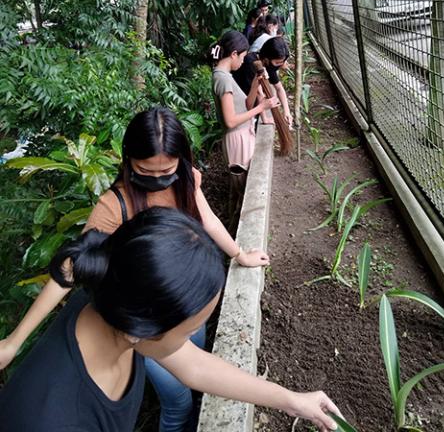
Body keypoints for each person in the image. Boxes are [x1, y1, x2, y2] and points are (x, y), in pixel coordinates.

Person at [0, 107, 269, 432]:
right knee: (177, 399)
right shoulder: (114, 207)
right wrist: (14, 341)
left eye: (166, 171)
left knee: (192, 367)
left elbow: (208, 219)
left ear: (182, 161)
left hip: (186, 308)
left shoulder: (187, 179)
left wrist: (240, 253)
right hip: (147, 323)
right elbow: (74, 266)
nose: (157, 182)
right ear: (128, 160)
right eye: (146, 171)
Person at [0, 209, 342, 432]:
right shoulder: (50, 418)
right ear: (142, 330)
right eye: (190, 330)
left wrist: (293, 400)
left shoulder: (113, 307)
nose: (192, 340)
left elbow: (195, 366)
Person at [210, 31, 279, 224]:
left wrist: (256, 84)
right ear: (233, 54)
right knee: (241, 190)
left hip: (242, 136)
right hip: (236, 141)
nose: (242, 62)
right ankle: (233, 230)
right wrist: (261, 107)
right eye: (241, 56)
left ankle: (233, 228)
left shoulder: (225, 76)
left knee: (240, 190)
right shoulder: (223, 79)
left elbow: (245, 106)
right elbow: (230, 121)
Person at [233, 36, 292, 129]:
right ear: (267, 58)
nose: (279, 66)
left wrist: (287, 112)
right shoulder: (251, 63)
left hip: (250, 105)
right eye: (277, 63)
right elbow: (258, 93)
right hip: (240, 104)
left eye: (281, 62)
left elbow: (279, 88)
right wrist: (264, 118)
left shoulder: (268, 63)